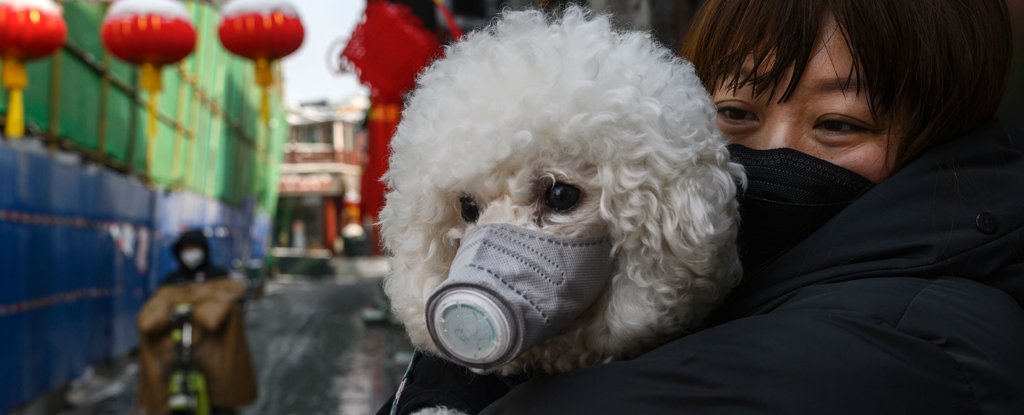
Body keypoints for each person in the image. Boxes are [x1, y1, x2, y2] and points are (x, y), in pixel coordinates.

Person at [379, 0, 1024, 414]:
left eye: (838, 124)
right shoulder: (747, 279)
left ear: (943, 127)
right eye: (736, 114)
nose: (775, 149)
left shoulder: (938, 332)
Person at [137, 229, 257, 415]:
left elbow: (217, 315)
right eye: (186, 249)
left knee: (220, 398)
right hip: (178, 352)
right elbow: (149, 319)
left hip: (213, 353)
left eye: (195, 248)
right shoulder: (172, 281)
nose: (191, 254)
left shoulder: (219, 277)